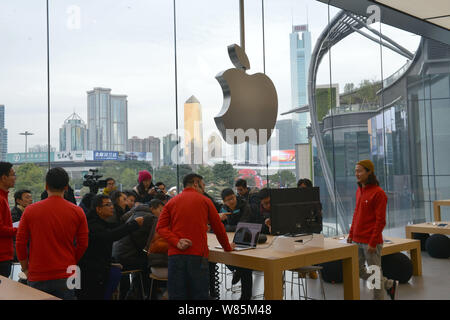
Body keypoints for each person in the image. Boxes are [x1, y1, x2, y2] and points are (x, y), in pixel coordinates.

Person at [156, 173, 234, 300]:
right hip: (198, 255)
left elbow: (160, 227)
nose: (204, 190)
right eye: (203, 186)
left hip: (175, 255)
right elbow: (219, 228)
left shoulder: (171, 202)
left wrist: (176, 241)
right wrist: (227, 248)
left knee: (177, 295)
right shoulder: (205, 201)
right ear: (196, 184)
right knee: (199, 296)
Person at [16, 167, 89, 300]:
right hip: (68, 272)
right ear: (66, 187)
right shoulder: (77, 212)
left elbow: (20, 243)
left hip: (37, 273)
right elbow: (83, 244)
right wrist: (72, 261)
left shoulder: (30, 211)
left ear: (46, 186)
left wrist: (25, 267)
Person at [347, 159, 398, 300]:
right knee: (357, 270)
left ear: (369, 172)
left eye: (360, 170)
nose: (356, 173)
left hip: (371, 242)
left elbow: (380, 221)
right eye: (355, 170)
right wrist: (351, 233)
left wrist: (373, 241)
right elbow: (356, 213)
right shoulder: (360, 191)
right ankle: (388, 284)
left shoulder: (378, 193)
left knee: (375, 276)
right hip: (357, 239)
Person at [77, 194, 144, 300]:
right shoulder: (92, 224)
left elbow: (114, 228)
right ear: (98, 209)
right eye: (107, 205)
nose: (112, 206)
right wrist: (133, 225)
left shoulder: (101, 222)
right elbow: (110, 236)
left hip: (98, 269)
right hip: (90, 273)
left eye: (111, 204)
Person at [112, 199, 163, 300]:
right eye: (161, 210)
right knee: (151, 265)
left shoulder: (134, 213)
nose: (162, 214)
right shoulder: (150, 218)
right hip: (125, 259)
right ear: (152, 208)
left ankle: (136, 293)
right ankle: (148, 295)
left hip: (117, 255)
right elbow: (146, 245)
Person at [220, 188, 254, 300]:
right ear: (224, 201)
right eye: (228, 200)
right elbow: (220, 227)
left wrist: (227, 228)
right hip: (229, 239)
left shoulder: (245, 206)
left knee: (245, 264)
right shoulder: (224, 209)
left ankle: (246, 296)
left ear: (235, 196)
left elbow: (243, 225)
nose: (231, 201)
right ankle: (236, 269)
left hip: (247, 236)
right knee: (222, 253)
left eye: (232, 198)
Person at [0, 162, 18, 278]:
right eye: (13, 174)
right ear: (3, 177)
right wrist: (18, 230)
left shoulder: (4, 197)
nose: (15, 178)